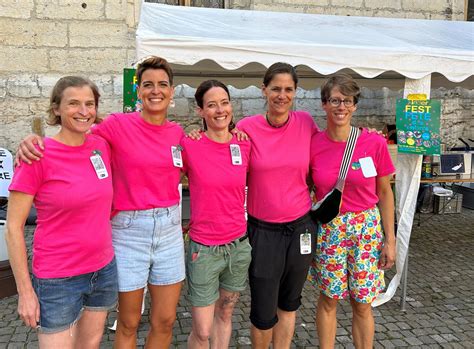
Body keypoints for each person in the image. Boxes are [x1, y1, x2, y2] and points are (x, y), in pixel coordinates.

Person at [15, 56, 185, 348]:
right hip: (128, 230)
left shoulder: (178, 133)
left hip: (168, 231)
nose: (155, 91)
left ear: (171, 91)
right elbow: (71, 134)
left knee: (166, 320)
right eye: (148, 85)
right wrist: (30, 139)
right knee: (129, 321)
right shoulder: (116, 126)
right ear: (138, 91)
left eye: (162, 85)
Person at [6, 76, 118, 348]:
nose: (83, 111)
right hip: (58, 277)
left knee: (90, 344)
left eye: (89, 104)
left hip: (103, 268)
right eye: (73, 104)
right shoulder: (38, 155)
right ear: (56, 108)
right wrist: (25, 292)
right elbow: (13, 229)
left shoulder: (100, 147)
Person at [307, 73, 396, 349]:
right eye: (334, 100)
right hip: (330, 229)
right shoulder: (313, 144)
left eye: (347, 101)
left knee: (362, 303)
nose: (341, 106)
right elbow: (307, 189)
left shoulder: (374, 143)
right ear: (324, 104)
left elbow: (384, 192)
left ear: (355, 105)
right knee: (329, 299)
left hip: (366, 229)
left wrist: (390, 240)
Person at [236, 62, 319, 348]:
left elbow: (328, 151)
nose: (282, 95)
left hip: (301, 228)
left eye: (288, 89)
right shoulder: (246, 128)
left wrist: (365, 139)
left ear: (295, 92)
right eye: (275, 89)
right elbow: (222, 152)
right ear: (264, 90)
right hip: (263, 232)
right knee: (262, 309)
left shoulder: (307, 123)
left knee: (289, 303)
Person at [182, 80, 252, 348]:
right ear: (201, 111)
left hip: (238, 246)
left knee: (225, 313)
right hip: (205, 250)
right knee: (201, 330)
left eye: (224, 103)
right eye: (211, 105)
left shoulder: (244, 144)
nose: (220, 110)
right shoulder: (190, 144)